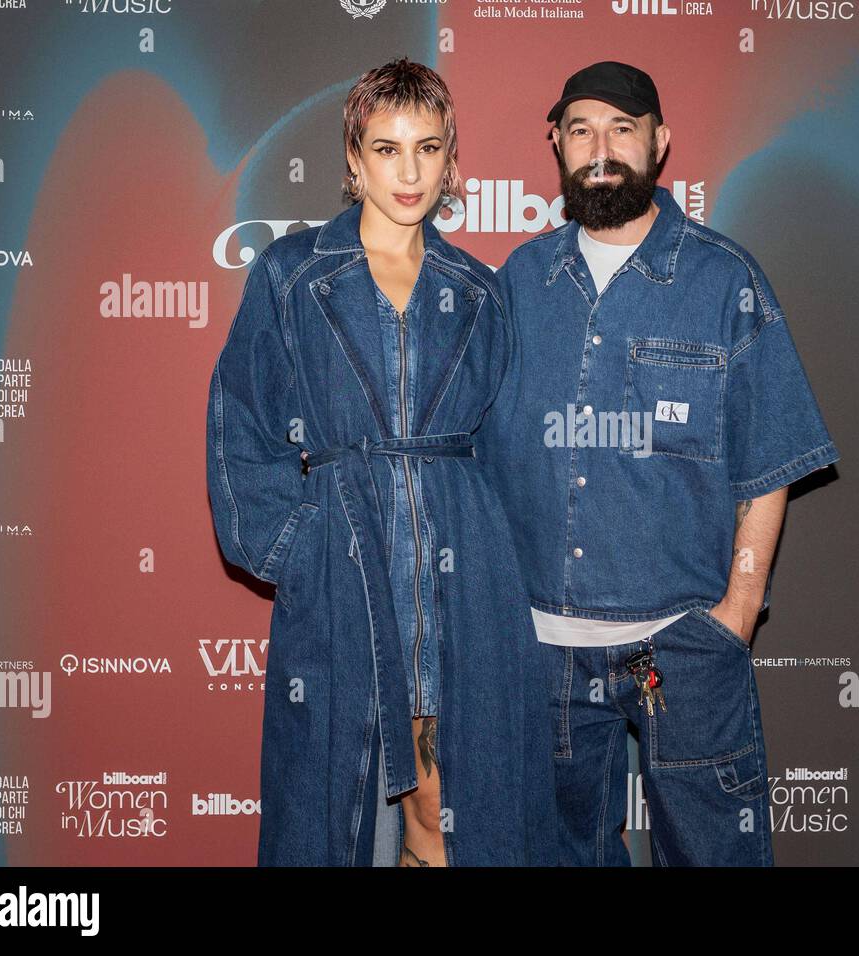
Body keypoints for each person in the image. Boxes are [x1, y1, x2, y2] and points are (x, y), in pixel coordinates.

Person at [479, 61, 841, 866]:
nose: (600, 147)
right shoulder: (520, 283)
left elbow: (771, 459)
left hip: (685, 647)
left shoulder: (724, 280)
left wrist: (738, 611)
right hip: (545, 655)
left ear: (660, 141)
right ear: (558, 146)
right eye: (580, 130)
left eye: (622, 128)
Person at [205, 58, 557, 867]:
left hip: (462, 585)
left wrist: (504, 568)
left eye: (427, 148)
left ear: (451, 160)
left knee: (449, 816)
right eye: (387, 148)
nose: (408, 171)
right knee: (340, 819)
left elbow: (507, 447)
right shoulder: (293, 277)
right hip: (346, 576)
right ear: (354, 160)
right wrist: (300, 551)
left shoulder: (476, 289)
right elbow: (241, 428)